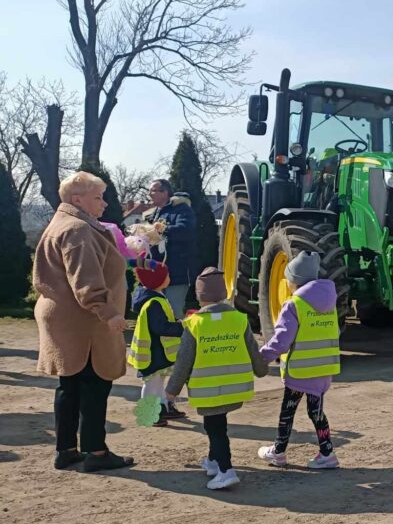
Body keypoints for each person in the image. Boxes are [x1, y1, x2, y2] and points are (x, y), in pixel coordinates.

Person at [33, 171, 135, 472]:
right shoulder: (78, 229)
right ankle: (97, 452)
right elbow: (86, 281)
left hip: (66, 318)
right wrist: (110, 313)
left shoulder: (62, 223)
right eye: (98, 197)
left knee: (70, 385)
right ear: (77, 200)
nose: (104, 203)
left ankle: (66, 450)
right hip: (85, 321)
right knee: (94, 384)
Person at [165, 268, 268, 490]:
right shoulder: (238, 319)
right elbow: (253, 350)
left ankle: (225, 470)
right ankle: (213, 461)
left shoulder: (194, 324)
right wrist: (261, 370)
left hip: (208, 390)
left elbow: (183, 362)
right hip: (234, 388)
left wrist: (171, 392)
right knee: (218, 423)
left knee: (215, 428)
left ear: (200, 296)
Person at [257, 251, 342, 469]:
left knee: (287, 412)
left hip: (300, 370)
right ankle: (327, 453)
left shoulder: (294, 304)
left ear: (294, 281)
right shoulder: (330, 302)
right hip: (324, 368)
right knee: (316, 412)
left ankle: (278, 452)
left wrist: (261, 357)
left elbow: (281, 342)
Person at [127, 259, 185, 426]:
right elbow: (161, 327)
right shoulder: (153, 303)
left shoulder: (155, 298)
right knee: (152, 384)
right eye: (166, 275)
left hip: (158, 351)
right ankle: (148, 414)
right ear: (158, 281)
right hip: (152, 353)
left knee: (158, 382)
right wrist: (181, 327)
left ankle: (162, 408)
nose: (169, 277)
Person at [144, 179, 196, 318]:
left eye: (153, 190)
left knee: (174, 313)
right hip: (156, 272)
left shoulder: (182, 209)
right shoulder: (155, 213)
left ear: (165, 193)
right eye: (149, 191)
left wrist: (161, 230)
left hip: (176, 274)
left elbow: (185, 230)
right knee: (157, 313)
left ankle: (179, 333)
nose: (150, 194)